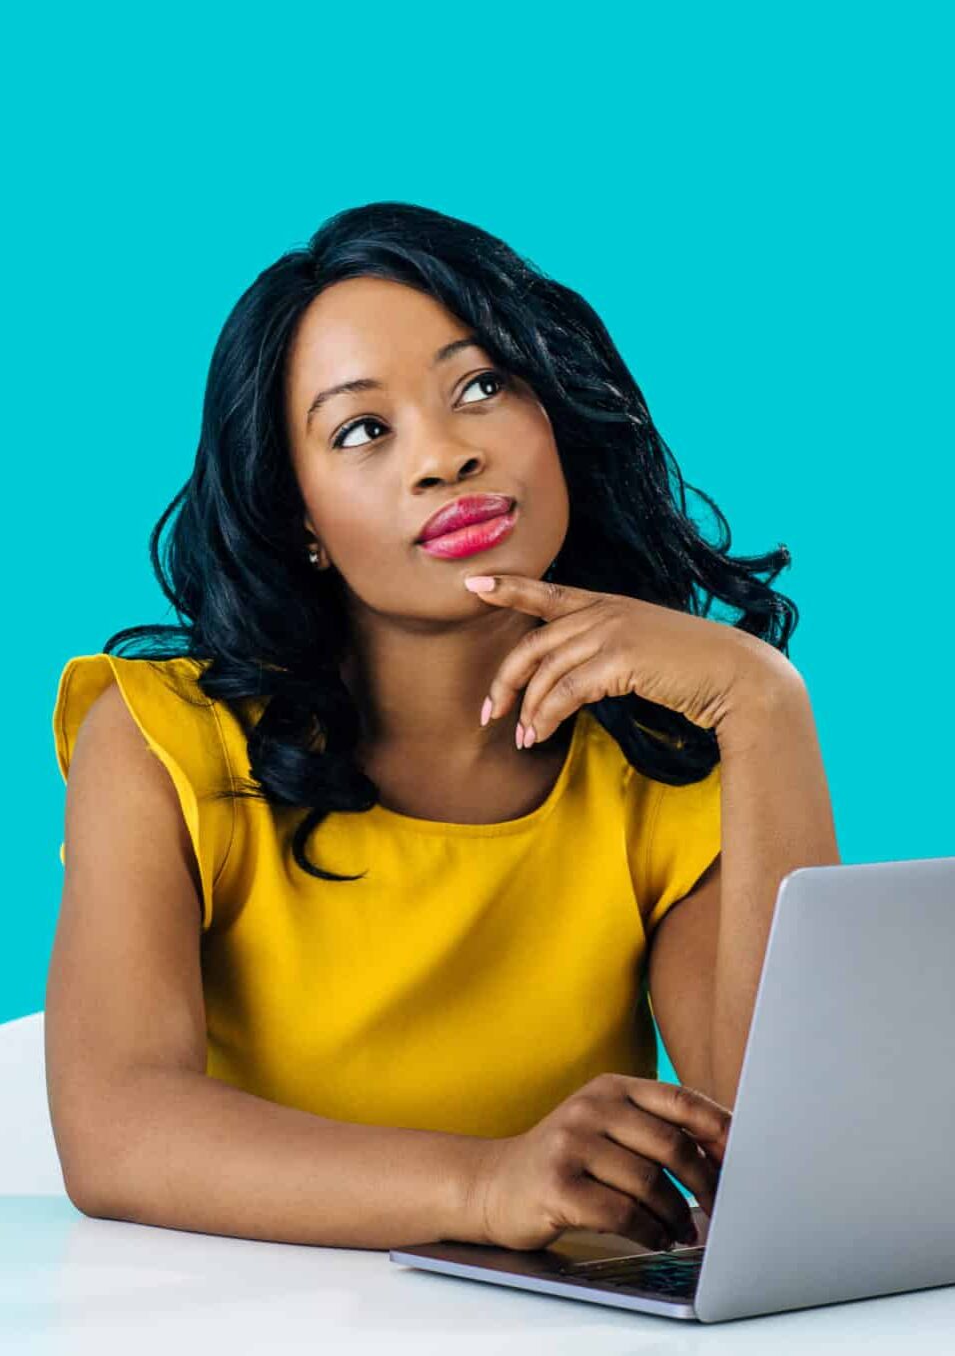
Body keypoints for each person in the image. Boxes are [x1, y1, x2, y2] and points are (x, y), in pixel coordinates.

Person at [46, 200, 816, 1255]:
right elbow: (116, 1135)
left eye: (482, 386)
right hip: (244, 1315)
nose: (444, 455)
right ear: (301, 517)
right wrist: (484, 1185)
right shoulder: (164, 741)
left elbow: (788, 1162)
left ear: (557, 421)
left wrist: (764, 708)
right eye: (363, 429)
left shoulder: (650, 762)